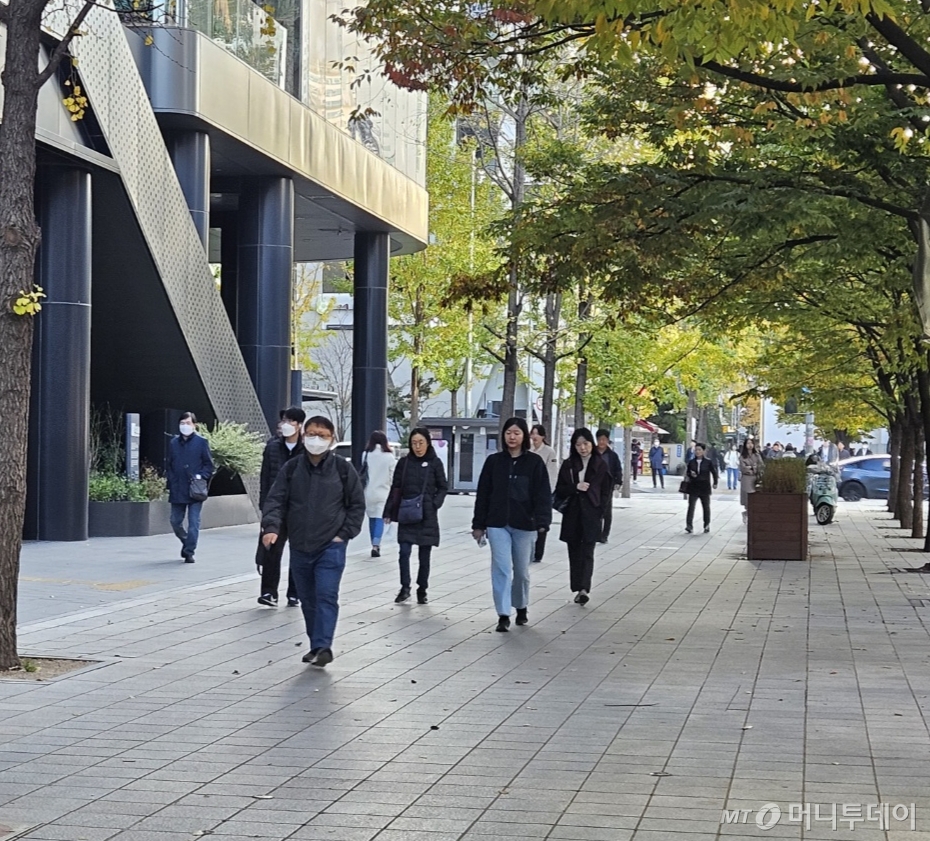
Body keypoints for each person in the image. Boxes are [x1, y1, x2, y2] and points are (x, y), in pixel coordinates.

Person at [261, 416, 365, 668]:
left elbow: (356, 504)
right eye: (311, 434)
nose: (316, 439)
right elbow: (275, 500)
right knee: (308, 598)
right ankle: (316, 645)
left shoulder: (342, 469)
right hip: (300, 545)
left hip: (331, 545)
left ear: (332, 439)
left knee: (326, 594)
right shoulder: (292, 469)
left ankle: (323, 645)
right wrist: (271, 527)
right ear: (303, 435)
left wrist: (344, 534)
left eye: (322, 435)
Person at [472, 417, 552, 632]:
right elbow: (483, 494)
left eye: (517, 433)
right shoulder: (494, 462)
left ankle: (521, 605)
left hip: (525, 524)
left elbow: (543, 494)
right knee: (501, 568)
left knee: (522, 571)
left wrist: (542, 521)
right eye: (508, 433)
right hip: (497, 523)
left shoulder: (534, 463)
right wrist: (478, 524)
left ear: (524, 436)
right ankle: (503, 613)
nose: (512, 437)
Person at [383, 428, 448, 605]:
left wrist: (435, 503)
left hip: (427, 514)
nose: (418, 447)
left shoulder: (435, 462)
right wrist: (388, 510)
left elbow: (443, 486)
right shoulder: (404, 463)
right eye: (414, 443)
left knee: (424, 556)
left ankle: (422, 589)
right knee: (404, 552)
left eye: (421, 443)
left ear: (428, 443)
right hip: (407, 512)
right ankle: (405, 587)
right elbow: (396, 488)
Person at [556, 428, 613, 606]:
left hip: (591, 513)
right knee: (574, 551)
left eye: (586, 444)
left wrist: (600, 510)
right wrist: (575, 487)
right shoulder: (568, 464)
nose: (583, 448)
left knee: (588, 551)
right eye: (578, 444)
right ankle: (577, 586)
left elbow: (606, 490)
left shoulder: (600, 464)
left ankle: (584, 589)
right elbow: (560, 489)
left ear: (591, 444)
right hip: (573, 513)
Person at [256, 407, 305, 607]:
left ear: (299, 425)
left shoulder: (306, 449)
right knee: (271, 549)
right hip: (276, 507)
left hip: (300, 508)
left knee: (298, 551)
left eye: (290, 421)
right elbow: (265, 478)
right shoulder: (272, 447)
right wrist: (264, 507)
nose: (285, 425)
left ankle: (294, 593)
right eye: (284, 420)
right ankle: (269, 592)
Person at [167, 412, 214, 564]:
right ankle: (186, 541)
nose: (185, 426)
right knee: (175, 521)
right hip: (177, 487)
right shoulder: (174, 443)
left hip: (195, 489)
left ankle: (189, 552)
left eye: (188, 423)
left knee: (194, 524)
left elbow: (209, 465)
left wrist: (201, 476)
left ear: (194, 425)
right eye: (182, 423)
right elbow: (169, 464)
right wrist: (171, 480)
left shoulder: (201, 442)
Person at [361, 431, 396, 558]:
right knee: (379, 518)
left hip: (368, 492)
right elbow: (392, 476)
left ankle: (373, 543)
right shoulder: (389, 456)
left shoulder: (366, 454)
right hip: (384, 492)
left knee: (371, 518)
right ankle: (376, 545)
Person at [530, 424, 559, 562]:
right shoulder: (527, 450)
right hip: (528, 492)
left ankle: (538, 553)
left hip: (543, 492)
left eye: (537, 434)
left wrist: (549, 491)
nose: (535, 436)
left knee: (541, 523)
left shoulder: (549, 451)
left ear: (543, 436)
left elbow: (552, 473)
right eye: (533, 433)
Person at [595, 429, 623, 543]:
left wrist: (618, 482)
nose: (602, 442)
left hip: (607, 485)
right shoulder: (592, 453)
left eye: (604, 439)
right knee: (595, 510)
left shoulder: (612, 455)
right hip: (594, 485)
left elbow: (617, 470)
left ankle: (604, 535)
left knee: (606, 511)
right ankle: (596, 533)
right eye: (599, 439)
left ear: (607, 440)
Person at [684, 442, 718, 534]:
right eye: (696, 450)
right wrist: (691, 474)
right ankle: (689, 525)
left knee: (706, 507)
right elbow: (687, 473)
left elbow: (714, 473)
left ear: (703, 451)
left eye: (699, 450)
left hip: (704, 487)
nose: (697, 452)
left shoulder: (708, 462)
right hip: (694, 486)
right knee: (691, 506)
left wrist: (715, 483)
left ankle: (706, 524)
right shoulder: (691, 462)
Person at [739, 438, 764, 523]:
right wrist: (752, 468)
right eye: (748, 443)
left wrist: (753, 468)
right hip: (746, 478)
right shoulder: (742, 456)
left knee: (755, 497)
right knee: (748, 498)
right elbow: (743, 468)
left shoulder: (757, 455)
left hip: (756, 478)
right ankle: (746, 513)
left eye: (751, 443)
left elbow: (761, 466)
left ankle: (749, 514)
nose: (750, 445)